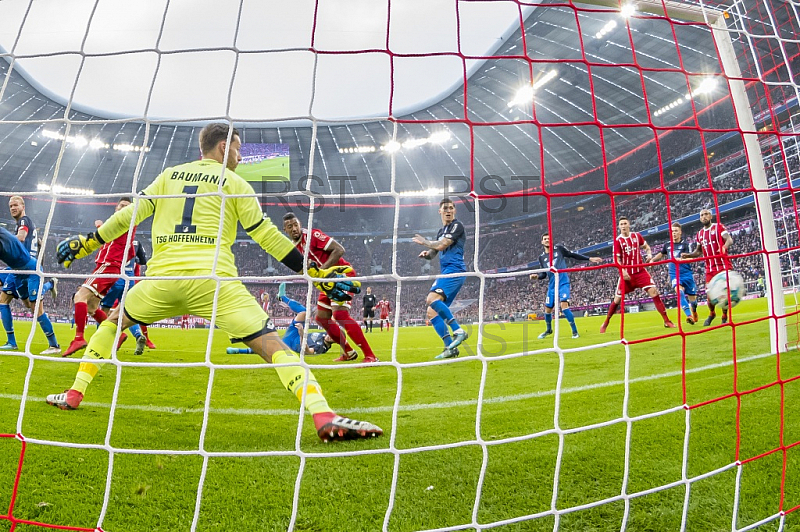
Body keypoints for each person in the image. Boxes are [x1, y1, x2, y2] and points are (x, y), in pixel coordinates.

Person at [46, 123, 382, 443]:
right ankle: (322, 414)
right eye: (237, 150)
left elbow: (130, 214)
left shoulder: (168, 176)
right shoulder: (234, 183)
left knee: (113, 324)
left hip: (162, 281)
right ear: (224, 146)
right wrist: (312, 272)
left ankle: (75, 393)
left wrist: (88, 241)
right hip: (214, 282)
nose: (239, 157)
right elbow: (266, 236)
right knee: (271, 345)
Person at [282, 212, 379, 363]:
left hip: (341, 275)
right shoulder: (294, 248)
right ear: (285, 230)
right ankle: (348, 352)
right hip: (326, 283)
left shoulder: (312, 235)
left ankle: (370, 356)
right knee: (321, 318)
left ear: (300, 224)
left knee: (340, 315)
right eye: (290, 226)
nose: (294, 228)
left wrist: (322, 272)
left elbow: (339, 249)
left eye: (296, 224)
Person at [61, 197, 137, 358]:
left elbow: (103, 234)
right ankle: (118, 334)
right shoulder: (125, 226)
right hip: (110, 267)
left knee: (80, 296)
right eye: (121, 205)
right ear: (116, 208)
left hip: (107, 266)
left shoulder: (125, 222)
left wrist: (99, 226)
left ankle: (79, 338)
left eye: (127, 207)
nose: (123, 208)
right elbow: (130, 252)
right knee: (92, 308)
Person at [0, 196, 60, 354]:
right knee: (9, 301)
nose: (13, 208)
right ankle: (11, 342)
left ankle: (54, 345)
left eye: (16, 205)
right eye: (10, 205)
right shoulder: (25, 224)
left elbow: (21, 237)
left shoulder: (24, 221)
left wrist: (11, 241)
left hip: (30, 269)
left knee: (35, 309)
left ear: (23, 206)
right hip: (17, 269)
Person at [413, 198, 469, 359]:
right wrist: (426, 254)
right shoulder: (440, 231)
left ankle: (458, 330)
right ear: (440, 211)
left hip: (455, 270)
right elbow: (434, 253)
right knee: (431, 312)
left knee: (431, 298)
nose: (448, 211)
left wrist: (425, 242)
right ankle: (449, 348)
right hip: (446, 271)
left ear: (455, 211)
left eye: (451, 208)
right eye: (445, 208)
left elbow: (441, 245)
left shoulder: (457, 226)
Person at [600, 217, 677, 333]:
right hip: (626, 274)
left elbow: (646, 247)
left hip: (640, 271)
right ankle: (606, 322)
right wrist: (622, 271)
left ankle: (666, 320)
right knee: (617, 300)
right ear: (619, 227)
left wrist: (649, 255)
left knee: (654, 292)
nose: (623, 226)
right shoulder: (618, 241)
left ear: (629, 224)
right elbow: (617, 259)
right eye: (621, 224)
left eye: (625, 223)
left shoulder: (637, 236)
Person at [228, 283, 333, 356]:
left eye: (332, 338)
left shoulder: (321, 347)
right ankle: (282, 297)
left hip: (293, 344)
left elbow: (307, 352)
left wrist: (302, 335)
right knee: (304, 313)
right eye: (331, 334)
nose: (329, 336)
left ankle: (239, 351)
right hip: (296, 333)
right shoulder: (324, 334)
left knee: (271, 347)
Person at [530, 233, 602, 339]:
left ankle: (575, 332)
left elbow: (572, 255)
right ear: (542, 242)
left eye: (548, 238)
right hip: (552, 286)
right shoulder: (541, 257)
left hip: (563, 283)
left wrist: (589, 259)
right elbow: (543, 274)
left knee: (564, 306)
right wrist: (536, 277)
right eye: (545, 239)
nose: (547, 240)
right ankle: (549, 330)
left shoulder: (559, 249)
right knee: (547, 310)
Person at [680, 208, 734, 326]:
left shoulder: (718, 227)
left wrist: (724, 247)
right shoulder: (699, 234)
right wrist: (688, 255)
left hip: (723, 265)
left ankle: (724, 316)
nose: (704, 216)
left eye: (706, 214)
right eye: (702, 215)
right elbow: (699, 251)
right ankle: (712, 313)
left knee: (723, 293)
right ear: (700, 218)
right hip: (709, 268)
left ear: (711, 216)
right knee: (709, 294)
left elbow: (729, 240)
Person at [100, 239, 151, 356]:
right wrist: (133, 260)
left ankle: (103, 342)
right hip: (129, 281)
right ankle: (138, 335)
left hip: (114, 279)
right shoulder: (136, 242)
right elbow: (143, 261)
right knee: (126, 313)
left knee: (104, 310)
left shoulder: (114, 240)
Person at [649, 222, 699, 325]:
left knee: (693, 300)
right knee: (679, 292)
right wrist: (653, 260)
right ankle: (689, 315)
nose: (674, 233)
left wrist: (680, 259)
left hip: (687, 274)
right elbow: (661, 254)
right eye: (672, 231)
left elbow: (690, 257)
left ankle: (694, 310)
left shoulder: (685, 244)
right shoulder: (667, 245)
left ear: (680, 232)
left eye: (676, 231)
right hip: (674, 274)